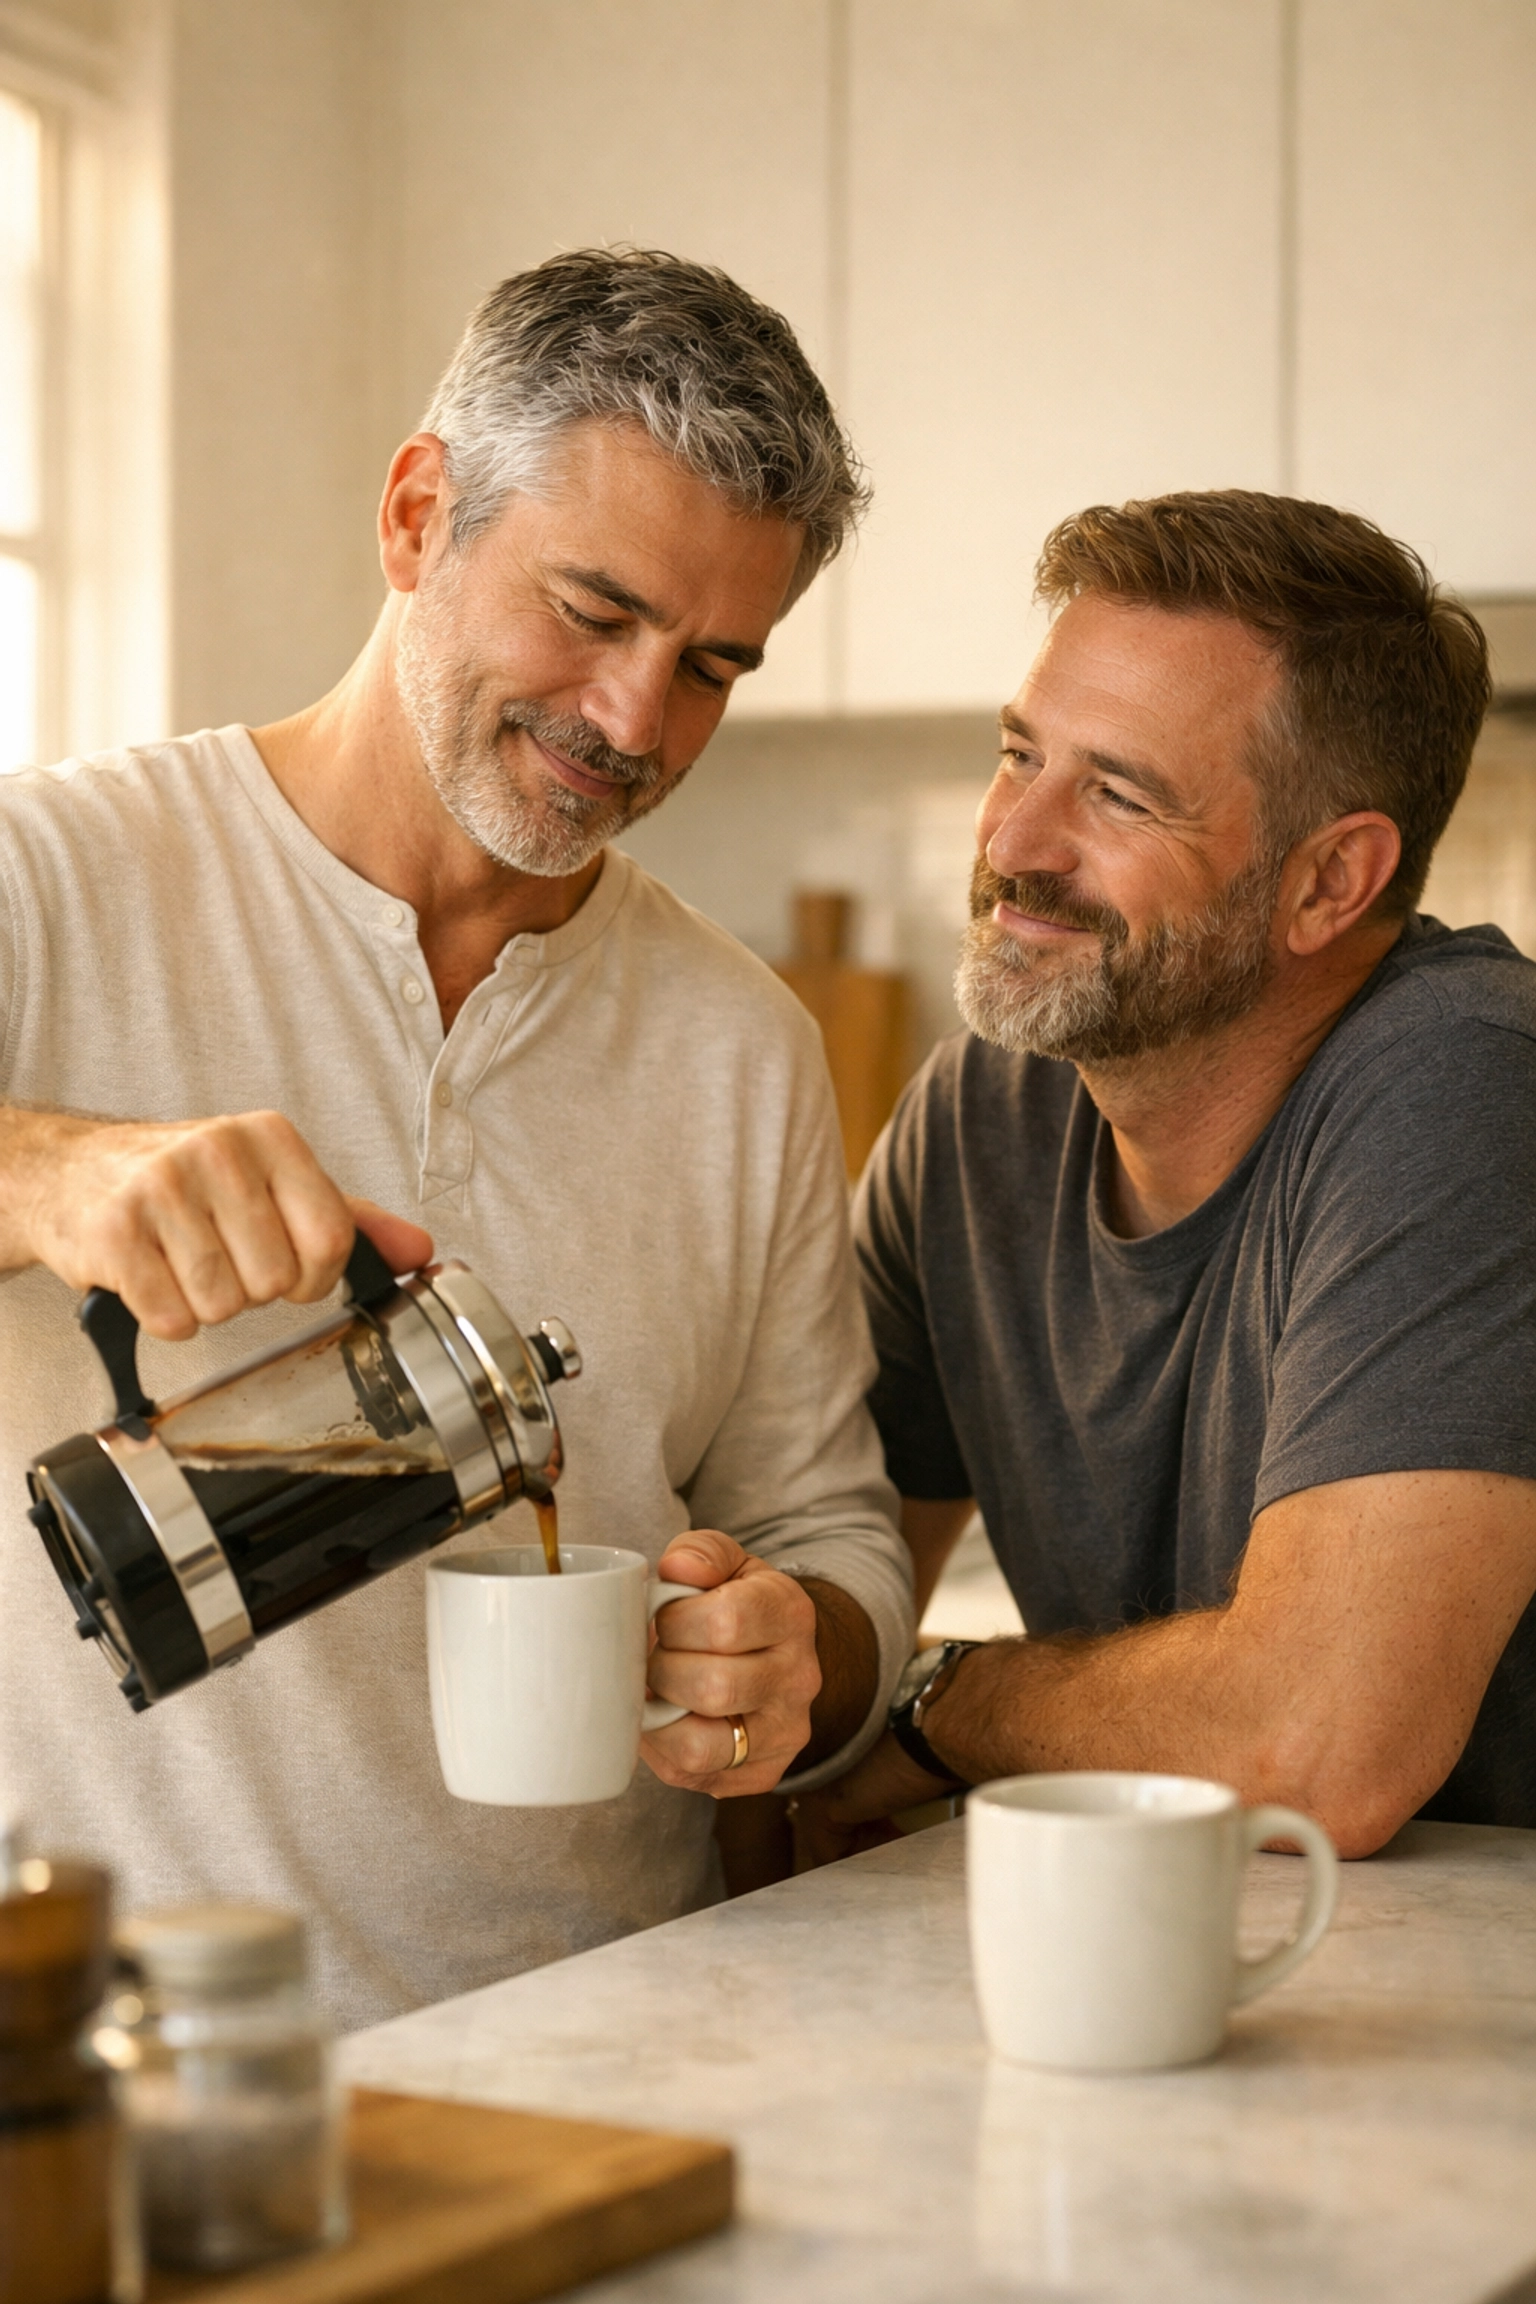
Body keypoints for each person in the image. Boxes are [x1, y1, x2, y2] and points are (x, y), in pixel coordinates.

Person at [0, 248, 911, 2025]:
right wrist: (52, 1173)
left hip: (601, 2063)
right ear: (420, 514)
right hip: (115, 2078)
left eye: (714, 664)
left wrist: (807, 1650)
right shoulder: (52, 886)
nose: (637, 722)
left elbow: (832, 1529)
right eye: (593, 610)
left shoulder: (745, 1048)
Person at [798, 489, 1536, 1865]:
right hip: (1183, 1960)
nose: (1013, 844)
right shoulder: (979, 1121)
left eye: (1118, 794)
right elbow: (816, 1604)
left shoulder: (1472, 1080)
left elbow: (1316, 1749)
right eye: (1021, 756)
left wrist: (940, 1700)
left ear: (1329, 884)